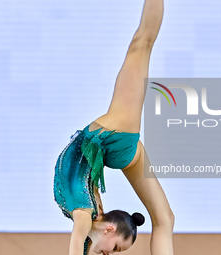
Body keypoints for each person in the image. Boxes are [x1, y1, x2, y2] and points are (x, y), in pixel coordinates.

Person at [54, 0, 174, 254]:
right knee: (165, 220)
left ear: (109, 230)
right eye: (116, 250)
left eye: (116, 249)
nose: (110, 253)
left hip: (110, 137)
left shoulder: (85, 220)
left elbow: (76, 247)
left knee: (141, 45)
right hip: (112, 143)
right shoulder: (92, 216)